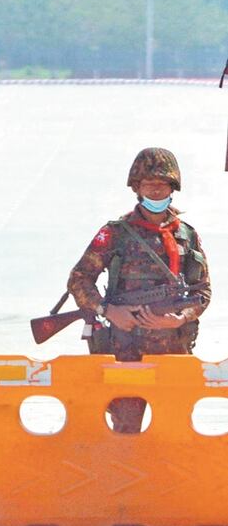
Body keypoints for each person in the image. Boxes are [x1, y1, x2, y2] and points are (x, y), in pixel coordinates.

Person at [67, 148, 211, 433]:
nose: (156, 190)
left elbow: (203, 292)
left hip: (174, 351)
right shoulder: (115, 233)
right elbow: (79, 279)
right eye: (149, 184)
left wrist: (180, 318)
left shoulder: (187, 235)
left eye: (163, 184)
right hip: (125, 350)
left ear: (173, 188)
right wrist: (108, 310)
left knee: (175, 432)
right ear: (137, 188)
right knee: (125, 432)